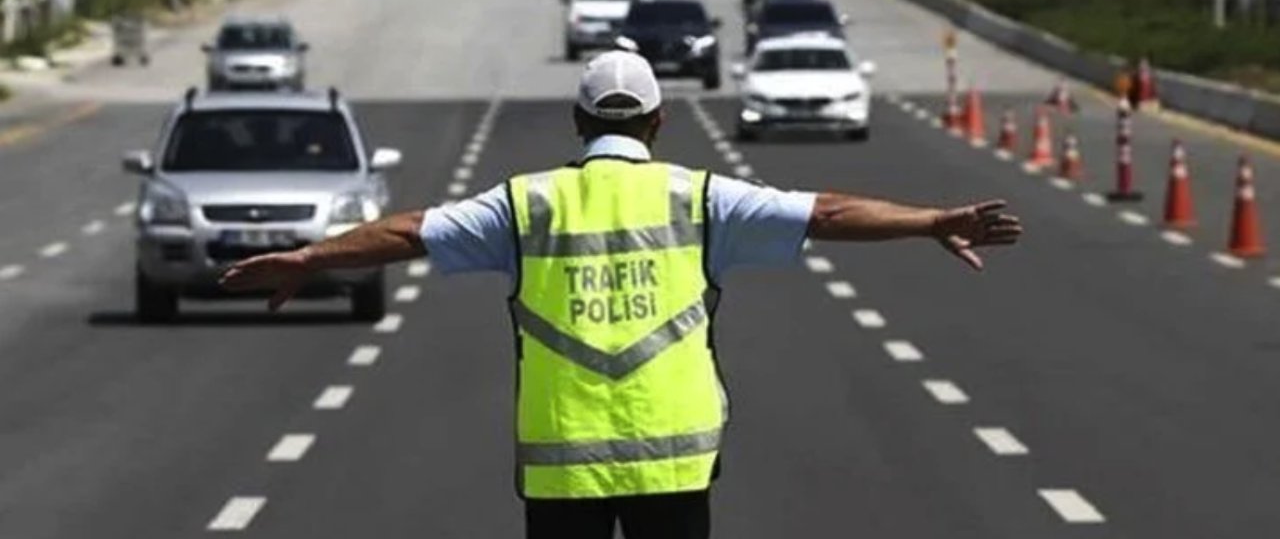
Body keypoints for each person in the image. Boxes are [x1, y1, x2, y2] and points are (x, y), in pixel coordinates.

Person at [220, 51, 1023, 539]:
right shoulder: (701, 198)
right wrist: (930, 220)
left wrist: (310, 258)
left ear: (576, 119)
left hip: (562, 465)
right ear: (660, 120)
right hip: (675, 459)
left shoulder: (525, 204)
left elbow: (406, 232)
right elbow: (828, 212)